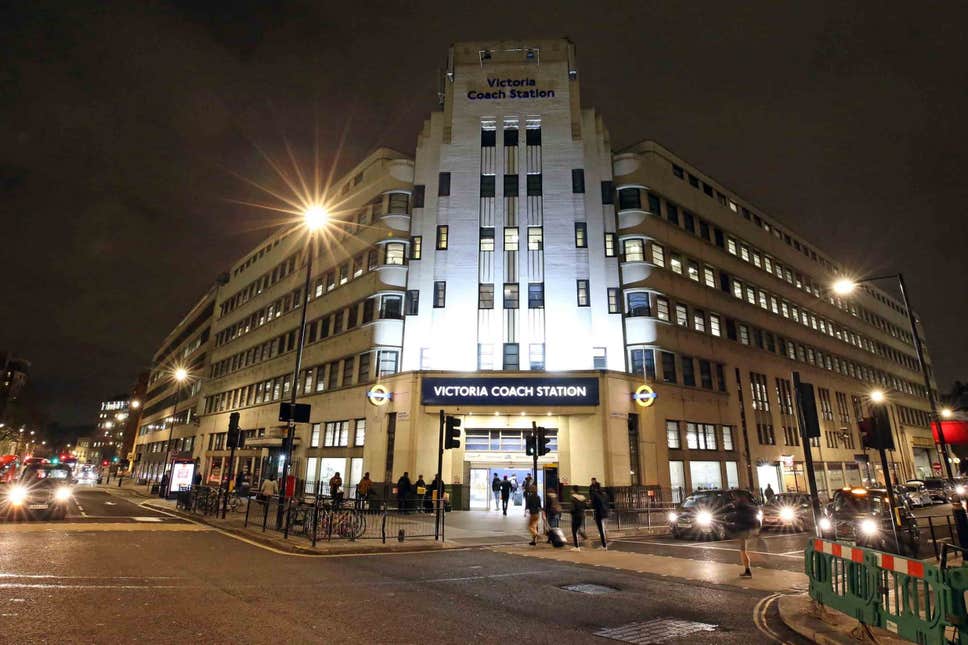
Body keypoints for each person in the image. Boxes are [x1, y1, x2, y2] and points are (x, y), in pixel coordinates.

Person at [734, 494, 760, 578]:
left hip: (743, 531)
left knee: (743, 551)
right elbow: (756, 519)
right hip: (751, 530)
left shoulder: (739, 510)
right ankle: (747, 570)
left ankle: (747, 570)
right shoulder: (751, 508)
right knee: (745, 551)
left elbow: (737, 520)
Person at [590, 483, 609, 550]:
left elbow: (593, 505)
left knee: (601, 530)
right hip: (605, 513)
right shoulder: (605, 494)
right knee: (603, 529)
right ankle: (605, 544)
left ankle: (604, 546)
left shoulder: (595, 494)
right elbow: (607, 503)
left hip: (599, 514)